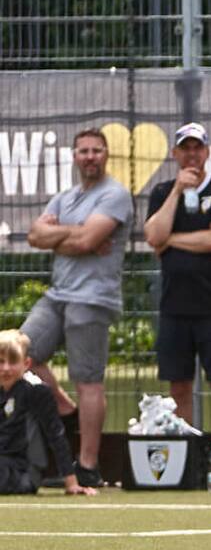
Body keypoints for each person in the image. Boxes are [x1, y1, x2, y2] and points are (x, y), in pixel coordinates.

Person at [21, 127, 133, 488]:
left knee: (89, 380)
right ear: (74, 156)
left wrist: (61, 237)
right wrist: (73, 235)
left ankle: (87, 466)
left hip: (93, 298)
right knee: (20, 352)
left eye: (96, 151)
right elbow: (35, 236)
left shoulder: (116, 195)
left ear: (106, 155)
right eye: (83, 151)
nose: (89, 157)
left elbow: (87, 240)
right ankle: (65, 408)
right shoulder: (65, 198)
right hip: (58, 294)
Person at [144, 122, 211, 488]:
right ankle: (185, 468)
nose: (191, 154)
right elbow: (153, 236)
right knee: (179, 388)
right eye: (184, 148)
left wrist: (171, 240)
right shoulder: (161, 192)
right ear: (175, 154)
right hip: (174, 308)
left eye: (197, 148)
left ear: (207, 151)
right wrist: (176, 194)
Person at [0, 330, 95, 497]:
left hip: (23, 471)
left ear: (26, 363)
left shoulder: (36, 390)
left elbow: (55, 434)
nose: (6, 368)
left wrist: (71, 482)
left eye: (13, 361)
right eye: (0, 362)